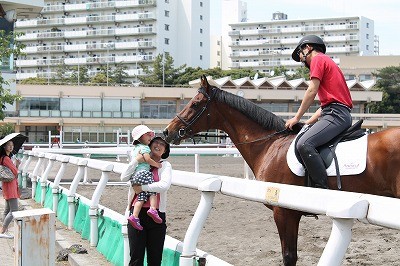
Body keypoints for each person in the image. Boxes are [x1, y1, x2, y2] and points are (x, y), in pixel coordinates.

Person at [286, 35, 353, 189]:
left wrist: (296, 118)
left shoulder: (317, 59)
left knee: (304, 144)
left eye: (301, 54)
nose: (302, 60)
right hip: (334, 112)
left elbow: (311, 91)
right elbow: (324, 107)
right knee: (305, 136)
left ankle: (321, 189)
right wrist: (306, 124)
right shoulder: (326, 62)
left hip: (336, 115)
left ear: (308, 47)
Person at [121, 135, 172, 266]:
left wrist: (141, 187)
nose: (158, 145)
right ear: (148, 146)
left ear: (165, 151)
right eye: (156, 142)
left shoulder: (165, 166)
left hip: (156, 216)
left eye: (162, 145)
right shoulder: (139, 163)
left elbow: (164, 185)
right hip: (136, 215)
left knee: (155, 260)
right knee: (136, 258)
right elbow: (123, 177)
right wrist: (136, 161)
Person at [127, 125, 163, 231]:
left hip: (135, 175)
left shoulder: (136, 148)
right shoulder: (144, 147)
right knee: (152, 191)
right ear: (141, 136)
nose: (150, 137)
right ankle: (153, 209)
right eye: (148, 135)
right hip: (143, 173)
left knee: (141, 196)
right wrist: (156, 164)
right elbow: (147, 159)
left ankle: (134, 216)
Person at [0, 140, 20, 239]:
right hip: (11, 186)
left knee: (7, 210)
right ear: (4, 147)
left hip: (6, 185)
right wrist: (17, 164)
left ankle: (3, 231)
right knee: (14, 210)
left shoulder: (2, 158)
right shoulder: (6, 159)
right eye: (9, 145)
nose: (11, 147)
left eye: (12, 145)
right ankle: (3, 231)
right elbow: (15, 172)